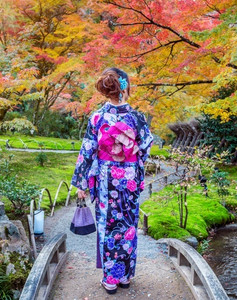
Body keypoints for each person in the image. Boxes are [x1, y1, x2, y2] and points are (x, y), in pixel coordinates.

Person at [71, 68, 153, 294]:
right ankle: (125, 276)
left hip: (107, 179)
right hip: (129, 180)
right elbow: (145, 147)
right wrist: (130, 158)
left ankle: (110, 279)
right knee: (128, 226)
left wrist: (82, 183)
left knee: (108, 226)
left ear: (106, 89)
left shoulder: (97, 117)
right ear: (125, 87)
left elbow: (87, 150)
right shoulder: (137, 117)